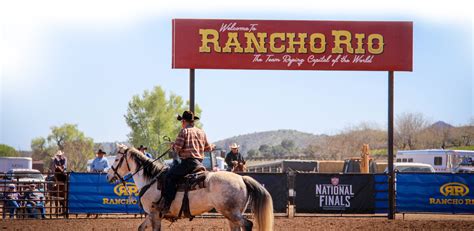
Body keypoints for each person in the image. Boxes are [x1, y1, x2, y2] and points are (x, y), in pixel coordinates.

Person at [156, 110, 214, 216]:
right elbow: (208, 148)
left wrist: (172, 146)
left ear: (184, 121)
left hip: (188, 163)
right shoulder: (201, 132)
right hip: (199, 164)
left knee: (169, 176)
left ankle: (166, 205)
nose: (181, 123)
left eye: (182, 121)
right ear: (193, 121)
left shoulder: (184, 131)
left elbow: (177, 148)